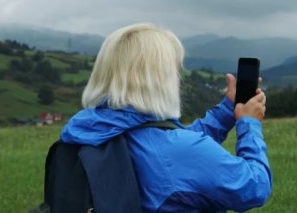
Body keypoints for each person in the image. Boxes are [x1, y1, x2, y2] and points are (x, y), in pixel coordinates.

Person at [60, 23, 272, 212]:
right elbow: (255, 187)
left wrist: (227, 111)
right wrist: (249, 125)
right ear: (160, 80)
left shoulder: (88, 130)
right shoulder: (179, 151)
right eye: (174, 71)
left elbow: (166, 146)